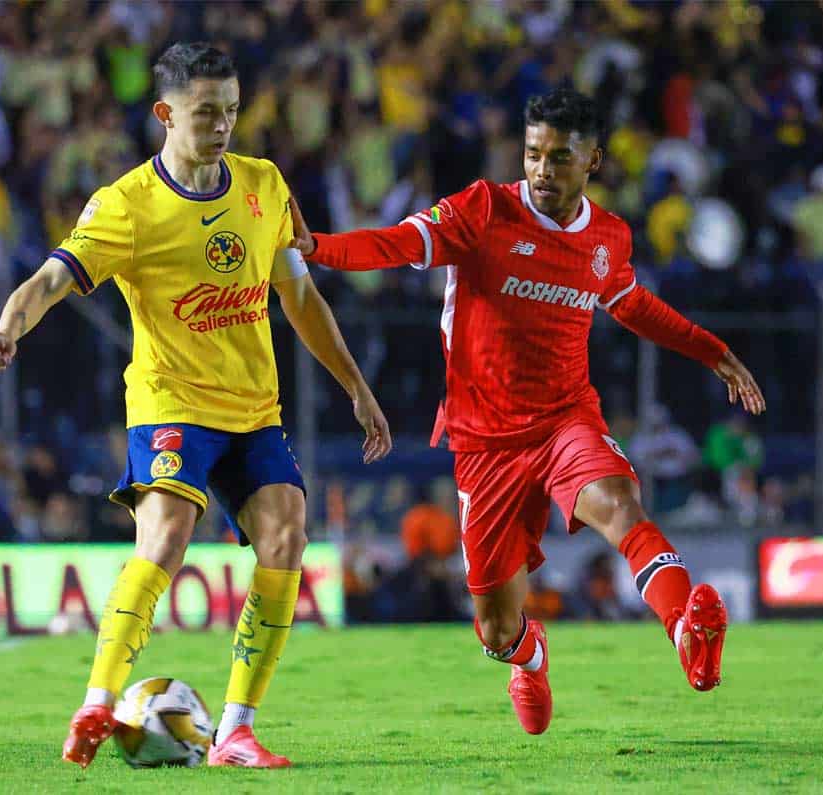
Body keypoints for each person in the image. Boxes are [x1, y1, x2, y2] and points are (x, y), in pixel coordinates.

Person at [294, 88, 765, 735]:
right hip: (484, 440)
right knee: (494, 626)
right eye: (534, 153)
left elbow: (632, 304)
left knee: (619, 503)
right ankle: (528, 656)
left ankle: (686, 628)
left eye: (560, 157)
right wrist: (320, 247)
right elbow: (400, 243)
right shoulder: (484, 210)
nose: (543, 169)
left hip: (565, 419)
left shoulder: (606, 236)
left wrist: (712, 351)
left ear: (592, 160)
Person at [0, 43, 391, 769]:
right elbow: (50, 280)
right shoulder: (126, 204)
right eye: (206, 113)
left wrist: (356, 387)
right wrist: (9, 328)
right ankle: (97, 702)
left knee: (287, 535)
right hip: (170, 400)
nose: (222, 125)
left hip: (254, 407)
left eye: (231, 110)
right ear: (165, 113)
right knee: (167, 535)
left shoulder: (264, 184)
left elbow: (300, 297)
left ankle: (235, 730)